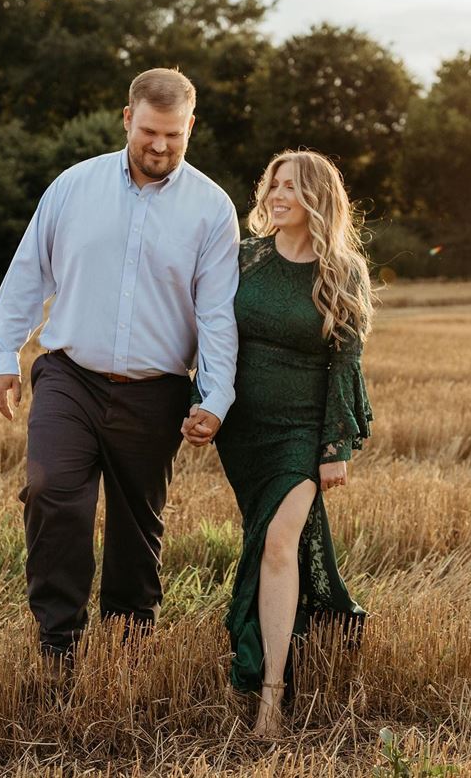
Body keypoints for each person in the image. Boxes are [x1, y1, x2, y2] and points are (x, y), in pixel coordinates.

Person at [0, 68, 239, 665]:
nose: (161, 146)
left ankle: (129, 648)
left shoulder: (212, 210)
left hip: (156, 391)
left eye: (174, 134)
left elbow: (217, 315)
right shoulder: (74, 187)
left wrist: (215, 396)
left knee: (137, 526)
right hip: (69, 376)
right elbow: (29, 270)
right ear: (127, 119)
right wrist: (4, 353)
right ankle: (58, 644)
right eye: (149, 131)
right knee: (51, 492)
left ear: (191, 126)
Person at [186, 150, 374, 737]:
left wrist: (335, 447)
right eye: (273, 185)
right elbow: (212, 334)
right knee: (266, 541)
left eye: (291, 186)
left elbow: (345, 362)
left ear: (317, 196)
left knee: (277, 542)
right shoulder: (245, 258)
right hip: (244, 430)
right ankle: (274, 661)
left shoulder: (343, 272)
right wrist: (201, 401)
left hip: (301, 429)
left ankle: (270, 696)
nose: (277, 195)